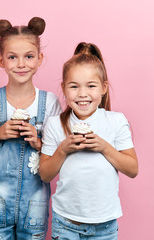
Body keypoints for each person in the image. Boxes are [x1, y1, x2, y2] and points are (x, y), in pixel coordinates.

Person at [39, 42, 138, 239]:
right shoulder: (54, 124)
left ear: (103, 88)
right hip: (65, 223)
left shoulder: (116, 121)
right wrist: (62, 150)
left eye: (91, 86)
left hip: (105, 226)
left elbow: (132, 169)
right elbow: (45, 174)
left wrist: (104, 147)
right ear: (64, 89)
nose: (82, 94)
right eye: (74, 86)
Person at [0, 17, 62, 240]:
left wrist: (38, 142)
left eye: (29, 56)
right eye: (12, 57)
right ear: (1, 60)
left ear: (40, 58)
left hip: (35, 200)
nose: (21, 64)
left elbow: (57, 156)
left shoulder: (50, 102)